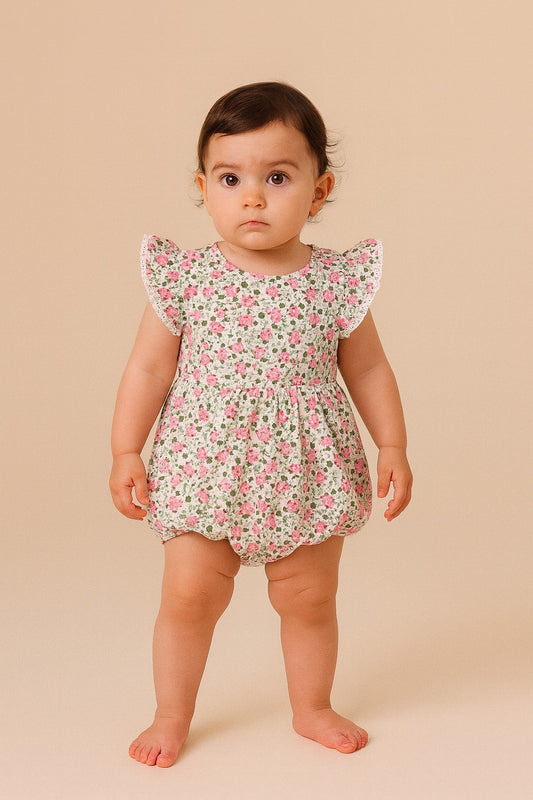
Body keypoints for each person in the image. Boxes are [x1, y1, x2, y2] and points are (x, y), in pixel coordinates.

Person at [109, 81, 413, 768]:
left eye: (276, 177)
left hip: (304, 469)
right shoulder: (186, 278)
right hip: (203, 466)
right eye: (230, 178)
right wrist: (125, 448)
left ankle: (311, 706)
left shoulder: (335, 282)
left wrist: (390, 442)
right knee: (188, 598)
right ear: (203, 186)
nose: (252, 196)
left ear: (319, 188)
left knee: (309, 599)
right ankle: (170, 713)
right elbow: (148, 372)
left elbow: (366, 371)